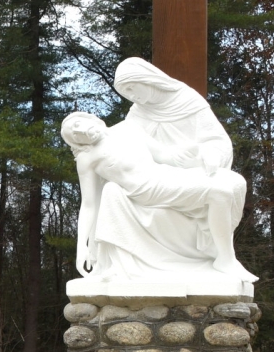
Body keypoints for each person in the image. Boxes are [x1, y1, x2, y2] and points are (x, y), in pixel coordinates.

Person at [66, 57, 256, 285]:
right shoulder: (88, 157)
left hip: (165, 175)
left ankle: (222, 257)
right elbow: (89, 204)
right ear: (76, 143)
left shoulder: (127, 128)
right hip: (149, 189)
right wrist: (84, 248)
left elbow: (166, 155)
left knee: (231, 182)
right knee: (220, 193)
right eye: (73, 134)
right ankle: (225, 259)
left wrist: (203, 154)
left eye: (132, 89)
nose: (133, 97)